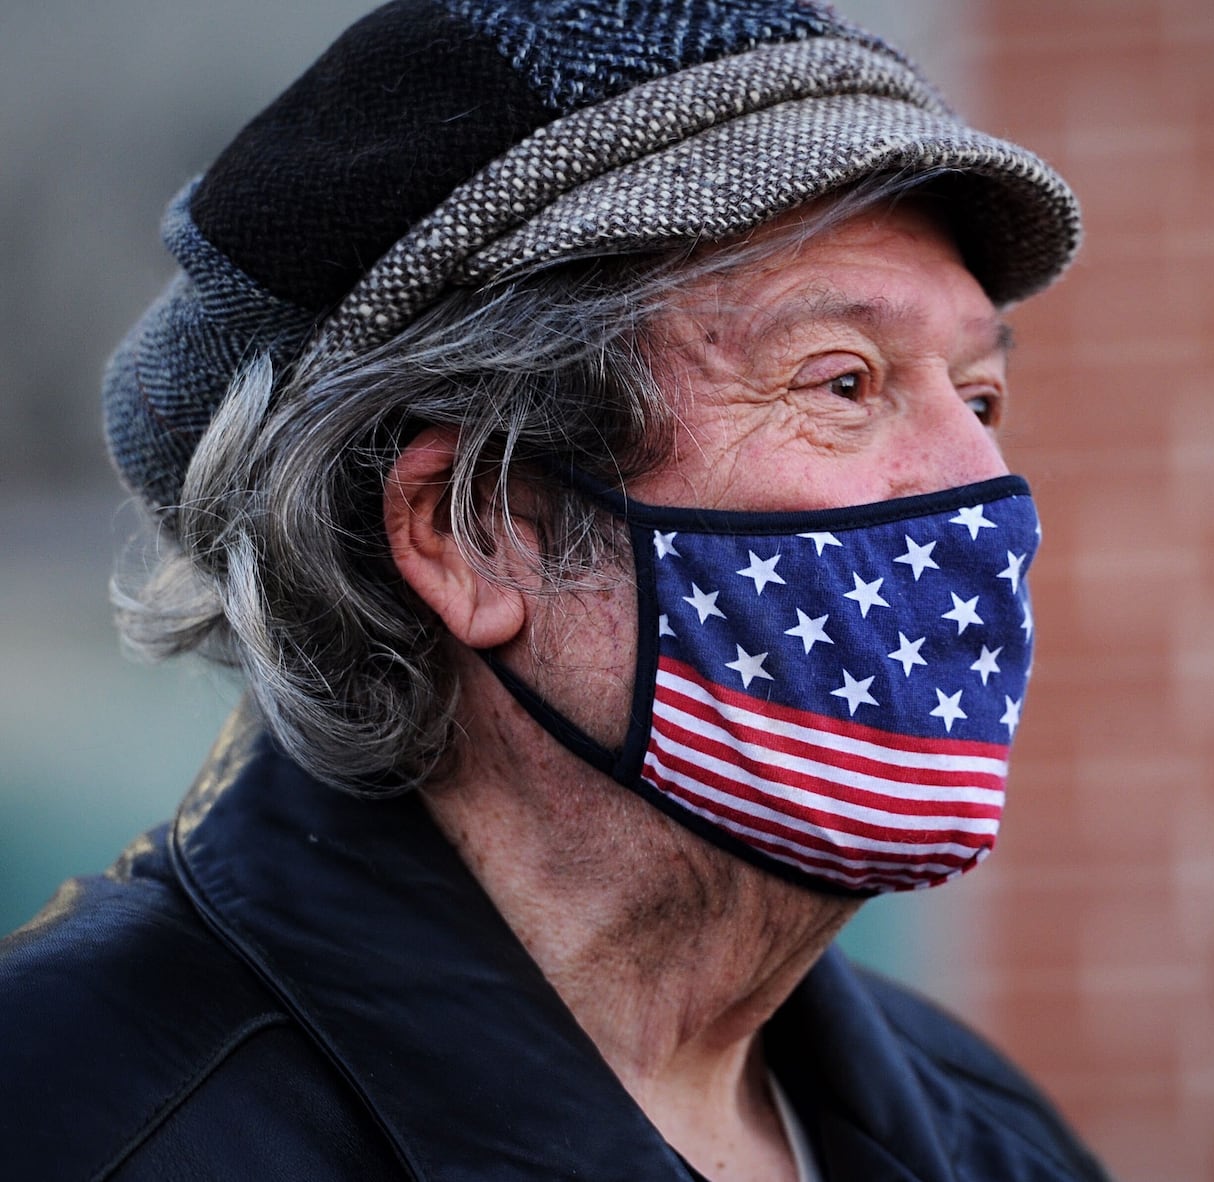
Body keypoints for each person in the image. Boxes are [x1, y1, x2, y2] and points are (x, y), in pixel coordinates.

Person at [0, 2, 1106, 1178]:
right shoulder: (81, 1121)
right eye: (841, 382)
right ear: (482, 531)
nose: (984, 487)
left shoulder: (992, 1137)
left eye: (979, 397)